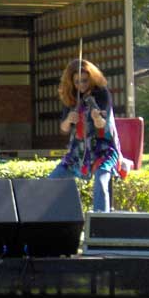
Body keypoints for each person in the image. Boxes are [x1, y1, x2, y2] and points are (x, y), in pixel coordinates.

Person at [48, 59, 122, 212]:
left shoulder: (102, 93)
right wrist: (69, 119)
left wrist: (96, 118)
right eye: (77, 82)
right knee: (52, 181)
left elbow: (103, 124)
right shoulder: (72, 97)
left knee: (101, 183)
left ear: (92, 78)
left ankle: (101, 223)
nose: (81, 85)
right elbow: (63, 128)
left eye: (85, 81)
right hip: (78, 151)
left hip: (103, 149)